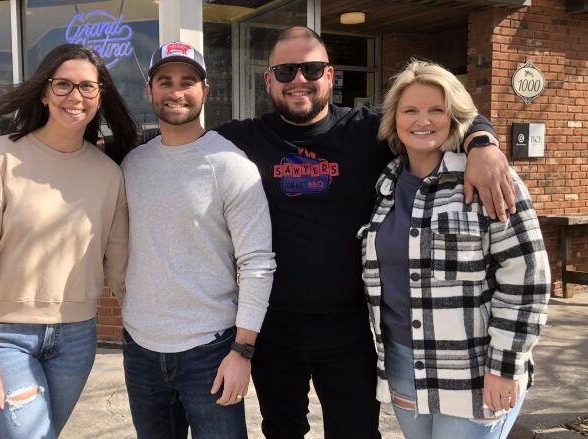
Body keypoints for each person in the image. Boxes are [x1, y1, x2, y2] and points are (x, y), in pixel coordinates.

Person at [214, 26, 516, 438]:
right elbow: (178, 144)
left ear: (330, 75)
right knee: (281, 431)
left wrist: (484, 143)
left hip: (351, 327)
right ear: (268, 80)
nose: (298, 80)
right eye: (285, 71)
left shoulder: (369, 130)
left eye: (311, 68)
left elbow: (439, 116)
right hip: (275, 326)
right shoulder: (242, 139)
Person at [0, 43, 137, 438]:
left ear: (100, 95)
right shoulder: (1, 157)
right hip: (6, 338)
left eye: (88, 87)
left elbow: (119, 265)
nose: (76, 97)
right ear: (43, 91)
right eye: (63, 85)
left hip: (76, 338)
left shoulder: (108, 174)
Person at [358, 59, 550, 438]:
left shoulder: (486, 178)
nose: (422, 121)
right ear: (394, 119)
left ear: (454, 116)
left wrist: (505, 365)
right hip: (402, 363)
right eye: (410, 110)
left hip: (473, 367)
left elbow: (528, 277)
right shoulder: (385, 186)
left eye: (436, 110)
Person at [120, 41, 276, 439]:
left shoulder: (232, 166)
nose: (176, 92)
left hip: (211, 351)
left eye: (188, 81)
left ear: (204, 90)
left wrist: (242, 352)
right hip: (140, 348)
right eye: (165, 81)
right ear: (149, 90)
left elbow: (257, 263)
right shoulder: (133, 165)